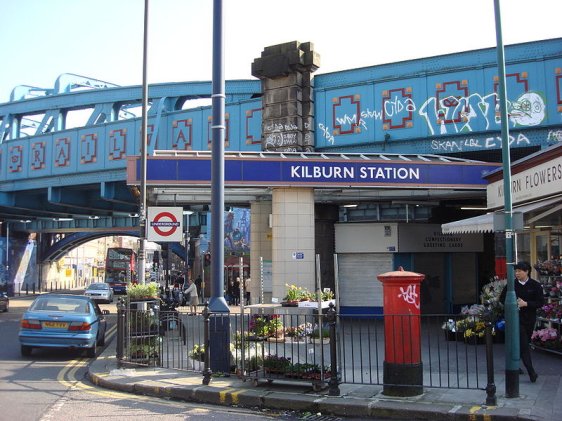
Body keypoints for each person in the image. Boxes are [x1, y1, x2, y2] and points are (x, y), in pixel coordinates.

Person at [499, 261, 544, 383]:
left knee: (523, 343)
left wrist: (526, 304)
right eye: (516, 271)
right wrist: (513, 304)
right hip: (515, 319)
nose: (517, 273)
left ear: (527, 271)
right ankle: (531, 373)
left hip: (529, 319)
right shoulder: (511, 285)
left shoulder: (535, 285)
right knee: (524, 345)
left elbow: (540, 302)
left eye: (519, 271)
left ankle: (515, 366)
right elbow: (502, 299)